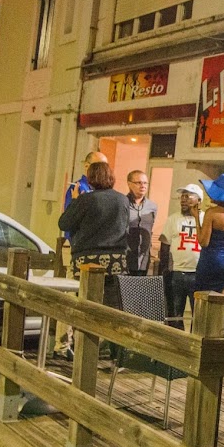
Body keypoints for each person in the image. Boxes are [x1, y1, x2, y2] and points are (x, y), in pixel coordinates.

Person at [55, 150, 108, 358]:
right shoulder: (78, 188)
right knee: (70, 295)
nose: (103, 170)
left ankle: (82, 345)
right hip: (76, 247)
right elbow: (69, 220)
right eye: (98, 165)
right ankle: (62, 345)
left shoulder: (101, 191)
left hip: (93, 252)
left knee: (90, 298)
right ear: (87, 166)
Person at [58, 161, 129, 279]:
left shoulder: (86, 199)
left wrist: (75, 200)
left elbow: (64, 223)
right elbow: (126, 227)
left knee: (85, 295)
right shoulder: (123, 200)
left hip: (88, 257)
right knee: (111, 295)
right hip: (116, 259)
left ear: (90, 178)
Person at [159, 183, 204, 319]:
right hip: (177, 273)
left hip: (198, 273)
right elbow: (165, 245)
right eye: (182, 196)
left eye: (188, 196)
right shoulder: (173, 219)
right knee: (175, 312)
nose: (183, 199)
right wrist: (165, 270)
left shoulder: (205, 218)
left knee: (198, 314)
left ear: (199, 200)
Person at [194, 174, 224, 294]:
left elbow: (204, 242)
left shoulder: (211, 212)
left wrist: (196, 218)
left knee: (202, 298)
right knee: (219, 300)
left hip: (209, 261)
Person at [126, 170, 157, 276]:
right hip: (125, 257)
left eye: (145, 183)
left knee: (139, 290)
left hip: (143, 259)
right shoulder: (122, 204)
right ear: (129, 184)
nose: (142, 186)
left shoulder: (152, 207)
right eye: (138, 183)